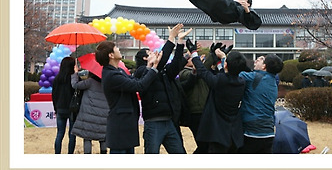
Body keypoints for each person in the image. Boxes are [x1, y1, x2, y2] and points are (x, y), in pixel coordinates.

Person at [133, 23, 191, 154]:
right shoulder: (142, 71)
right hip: (153, 123)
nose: (154, 52)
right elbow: (162, 61)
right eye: (150, 52)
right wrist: (171, 38)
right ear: (145, 58)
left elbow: (176, 65)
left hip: (168, 120)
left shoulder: (162, 71)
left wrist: (180, 42)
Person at [97, 41, 162, 154]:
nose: (119, 49)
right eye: (116, 47)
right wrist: (154, 68)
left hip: (126, 124)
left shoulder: (118, 71)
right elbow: (139, 85)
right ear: (110, 55)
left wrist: (148, 67)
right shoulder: (112, 75)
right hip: (120, 126)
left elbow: (136, 81)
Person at [186, 39, 247, 153]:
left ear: (227, 64)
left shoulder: (220, 80)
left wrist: (194, 53)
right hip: (234, 132)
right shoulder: (241, 81)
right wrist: (219, 60)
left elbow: (203, 71)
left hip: (218, 132)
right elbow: (225, 75)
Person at [238, 54, 284, 153]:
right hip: (269, 131)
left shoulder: (254, 77)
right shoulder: (273, 81)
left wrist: (224, 58)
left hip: (251, 130)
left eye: (262, 60)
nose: (257, 60)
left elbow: (235, 73)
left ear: (264, 66)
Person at [71, 68, 109, 154]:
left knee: (87, 138)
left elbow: (75, 85)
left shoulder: (90, 82)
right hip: (103, 116)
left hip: (88, 115)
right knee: (103, 138)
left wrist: (75, 74)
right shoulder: (107, 83)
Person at [52, 56, 77, 154]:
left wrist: (56, 108)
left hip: (60, 109)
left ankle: (57, 154)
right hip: (72, 110)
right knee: (72, 135)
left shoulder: (57, 79)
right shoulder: (74, 78)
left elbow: (54, 95)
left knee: (59, 134)